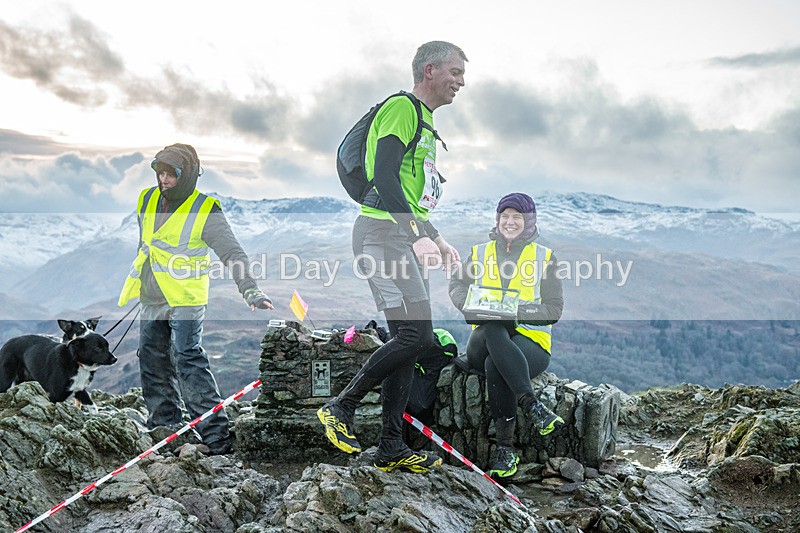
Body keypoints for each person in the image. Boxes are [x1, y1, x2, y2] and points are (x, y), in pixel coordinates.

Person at [317, 41, 467, 473]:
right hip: (381, 236)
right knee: (416, 336)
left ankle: (390, 447)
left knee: (411, 339)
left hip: (396, 234)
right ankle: (341, 406)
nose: (461, 81)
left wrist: (432, 235)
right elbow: (383, 174)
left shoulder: (425, 122)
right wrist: (412, 232)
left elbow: (409, 193)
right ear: (430, 70)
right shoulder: (403, 108)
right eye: (455, 72)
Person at [118, 143, 273, 455]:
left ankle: (216, 436)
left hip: (186, 298)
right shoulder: (146, 198)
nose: (163, 179)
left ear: (187, 174)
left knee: (188, 358)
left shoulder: (206, 209)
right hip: (151, 295)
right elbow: (147, 243)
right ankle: (165, 426)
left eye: (170, 174)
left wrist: (250, 289)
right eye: (159, 172)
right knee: (151, 358)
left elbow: (232, 252)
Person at [448, 192, 565, 482]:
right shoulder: (478, 253)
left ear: (529, 221)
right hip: (481, 340)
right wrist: (468, 304)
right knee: (492, 328)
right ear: (498, 219)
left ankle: (505, 450)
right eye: (505, 216)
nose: (510, 222)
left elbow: (554, 308)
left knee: (494, 364)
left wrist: (517, 312)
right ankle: (531, 405)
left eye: (517, 217)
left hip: (531, 345)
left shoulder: (545, 257)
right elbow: (456, 284)